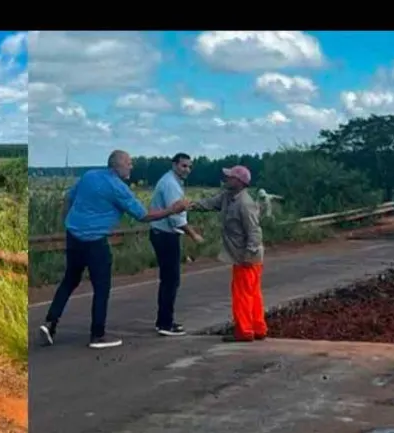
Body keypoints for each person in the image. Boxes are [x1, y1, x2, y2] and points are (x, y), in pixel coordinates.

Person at [38, 149, 192, 349]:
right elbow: (144, 216)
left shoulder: (90, 176)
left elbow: (68, 197)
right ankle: (97, 335)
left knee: (69, 280)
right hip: (95, 241)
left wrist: (67, 222)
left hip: (73, 236)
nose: (131, 167)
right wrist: (172, 210)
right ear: (117, 165)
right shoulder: (118, 188)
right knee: (101, 287)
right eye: (128, 163)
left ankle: (50, 323)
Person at [189, 165, 266, 343]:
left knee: (242, 294)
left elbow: (254, 232)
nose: (226, 179)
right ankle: (258, 328)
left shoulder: (245, 204)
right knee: (252, 293)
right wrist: (189, 205)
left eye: (230, 177)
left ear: (239, 182)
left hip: (246, 256)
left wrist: (249, 255)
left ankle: (244, 331)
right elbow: (209, 203)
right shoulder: (227, 197)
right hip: (243, 255)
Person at [148, 153, 204, 336]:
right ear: (174, 165)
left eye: (189, 166)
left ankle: (164, 321)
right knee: (171, 280)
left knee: (168, 279)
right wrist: (194, 235)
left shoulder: (171, 181)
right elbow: (176, 218)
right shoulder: (171, 185)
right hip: (165, 235)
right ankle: (165, 323)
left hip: (161, 232)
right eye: (183, 166)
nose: (187, 170)